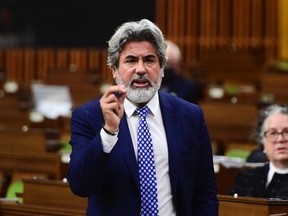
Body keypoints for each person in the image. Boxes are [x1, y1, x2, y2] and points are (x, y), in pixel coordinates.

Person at [67, 19, 218, 215]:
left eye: (149, 60)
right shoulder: (88, 116)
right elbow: (81, 186)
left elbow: (204, 192)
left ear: (162, 69)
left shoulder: (190, 116)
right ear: (114, 70)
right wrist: (108, 132)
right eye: (131, 60)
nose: (140, 69)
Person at [229, 104, 288, 199]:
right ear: (262, 141)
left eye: (287, 131)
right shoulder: (245, 177)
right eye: (272, 133)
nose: (280, 139)